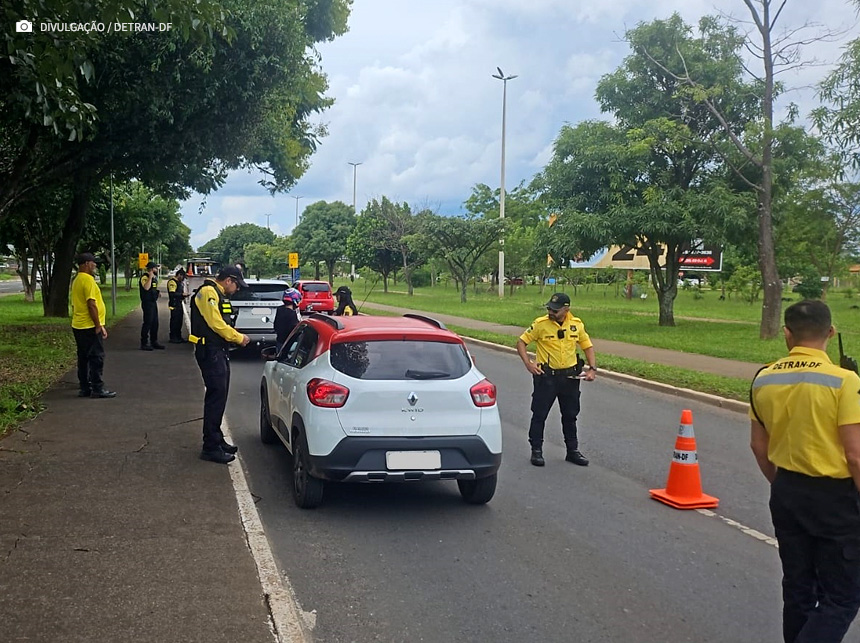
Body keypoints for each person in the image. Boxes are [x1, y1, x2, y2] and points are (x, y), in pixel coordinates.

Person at [749, 300, 860, 643]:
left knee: (798, 590)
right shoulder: (845, 381)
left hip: (786, 492)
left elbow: (758, 446)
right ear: (831, 332)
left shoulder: (763, 379)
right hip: (835, 499)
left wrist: (783, 484)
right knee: (841, 597)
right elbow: (855, 455)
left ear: (787, 332)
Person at [516, 293, 597, 467]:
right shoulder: (540, 324)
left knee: (570, 416)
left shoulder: (576, 325)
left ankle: (572, 451)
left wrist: (592, 368)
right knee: (539, 415)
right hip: (547, 377)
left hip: (569, 378)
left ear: (566, 309)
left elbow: (587, 346)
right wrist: (528, 363)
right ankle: (536, 450)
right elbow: (521, 342)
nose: (551, 312)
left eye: (555, 310)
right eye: (549, 309)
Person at [190, 265, 251, 464]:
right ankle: (210, 447)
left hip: (217, 351)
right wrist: (238, 337)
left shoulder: (217, 293)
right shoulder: (208, 292)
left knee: (220, 395)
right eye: (237, 285)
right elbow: (216, 323)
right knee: (216, 397)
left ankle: (216, 439)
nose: (238, 289)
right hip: (210, 351)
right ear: (228, 280)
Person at [70, 253, 116, 398]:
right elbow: (91, 304)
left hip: (78, 325)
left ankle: (85, 387)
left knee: (83, 357)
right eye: (93, 263)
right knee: (96, 357)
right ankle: (97, 388)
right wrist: (98, 325)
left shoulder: (77, 280)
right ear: (85, 264)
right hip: (89, 325)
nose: (95, 265)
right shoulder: (88, 280)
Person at [139, 261, 164, 350]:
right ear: (151, 269)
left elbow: (153, 288)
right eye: (155, 268)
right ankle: (144, 343)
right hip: (147, 303)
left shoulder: (154, 278)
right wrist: (150, 277)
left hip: (153, 302)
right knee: (148, 322)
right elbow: (146, 288)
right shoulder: (145, 277)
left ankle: (154, 341)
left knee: (155, 323)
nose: (157, 270)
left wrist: (157, 293)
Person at [274, 287, 302, 353]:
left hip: (280, 341)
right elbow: (295, 330)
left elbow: (275, 326)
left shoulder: (279, 310)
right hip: (289, 344)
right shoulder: (292, 314)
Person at [166, 269, 188, 343]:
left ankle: (178, 336)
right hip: (174, 304)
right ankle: (173, 337)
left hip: (179, 303)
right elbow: (172, 294)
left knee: (179, 321)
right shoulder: (172, 282)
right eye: (183, 277)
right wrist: (182, 295)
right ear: (179, 275)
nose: (183, 279)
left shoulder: (179, 282)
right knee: (174, 321)